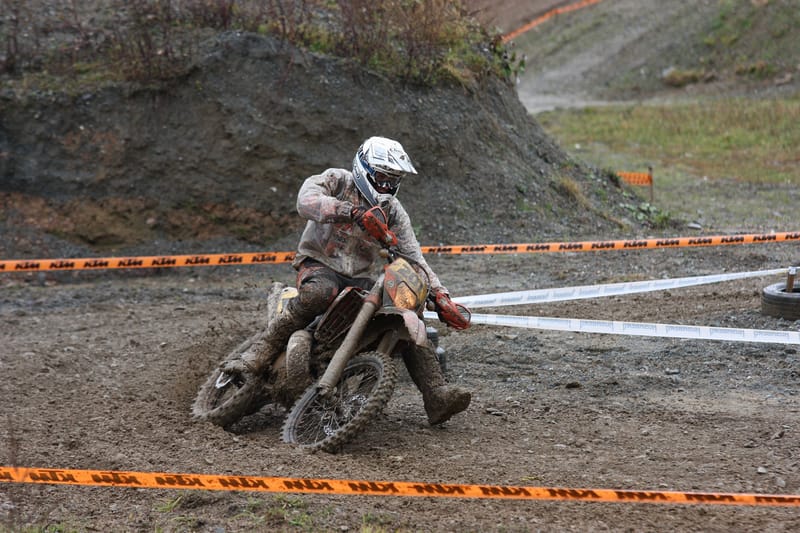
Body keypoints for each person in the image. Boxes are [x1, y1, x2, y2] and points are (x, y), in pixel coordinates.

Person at [233, 136, 471, 425]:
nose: (386, 185)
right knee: (321, 291)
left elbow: (413, 257)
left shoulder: (393, 211)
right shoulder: (337, 181)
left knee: (407, 309)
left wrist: (441, 296)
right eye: (382, 177)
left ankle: (436, 394)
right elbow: (305, 201)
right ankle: (261, 351)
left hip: (360, 279)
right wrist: (352, 213)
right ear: (365, 168)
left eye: (392, 179)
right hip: (319, 264)